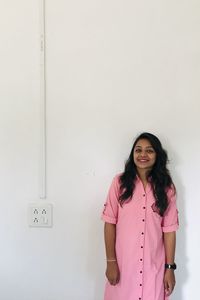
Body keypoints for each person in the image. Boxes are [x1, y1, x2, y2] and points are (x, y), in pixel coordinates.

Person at [101, 132, 179, 300]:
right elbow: (109, 223)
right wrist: (111, 262)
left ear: (158, 155)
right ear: (133, 154)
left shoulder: (167, 188)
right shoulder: (119, 183)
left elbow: (170, 230)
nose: (143, 154)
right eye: (138, 150)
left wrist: (170, 268)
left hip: (154, 269)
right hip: (124, 267)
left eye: (149, 150)